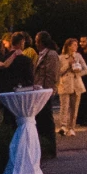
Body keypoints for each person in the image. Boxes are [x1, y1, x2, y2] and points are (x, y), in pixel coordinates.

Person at [31, 32, 61, 160]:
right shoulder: (41, 54)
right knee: (41, 120)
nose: (35, 43)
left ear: (42, 42)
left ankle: (50, 149)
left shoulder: (51, 55)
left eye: (37, 41)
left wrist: (48, 91)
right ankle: (43, 148)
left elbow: (51, 74)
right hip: (39, 91)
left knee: (47, 120)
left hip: (45, 91)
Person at [57, 38, 87, 137]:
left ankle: (71, 128)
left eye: (76, 45)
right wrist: (68, 66)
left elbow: (86, 70)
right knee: (64, 106)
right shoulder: (61, 58)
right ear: (69, 46)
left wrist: (78, 73)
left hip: (76, 84)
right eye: (74, 45)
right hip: (65, 84)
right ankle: (63, 126)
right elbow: (58, 72)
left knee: (74, 108)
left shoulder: (78, 56)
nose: (76, 46)